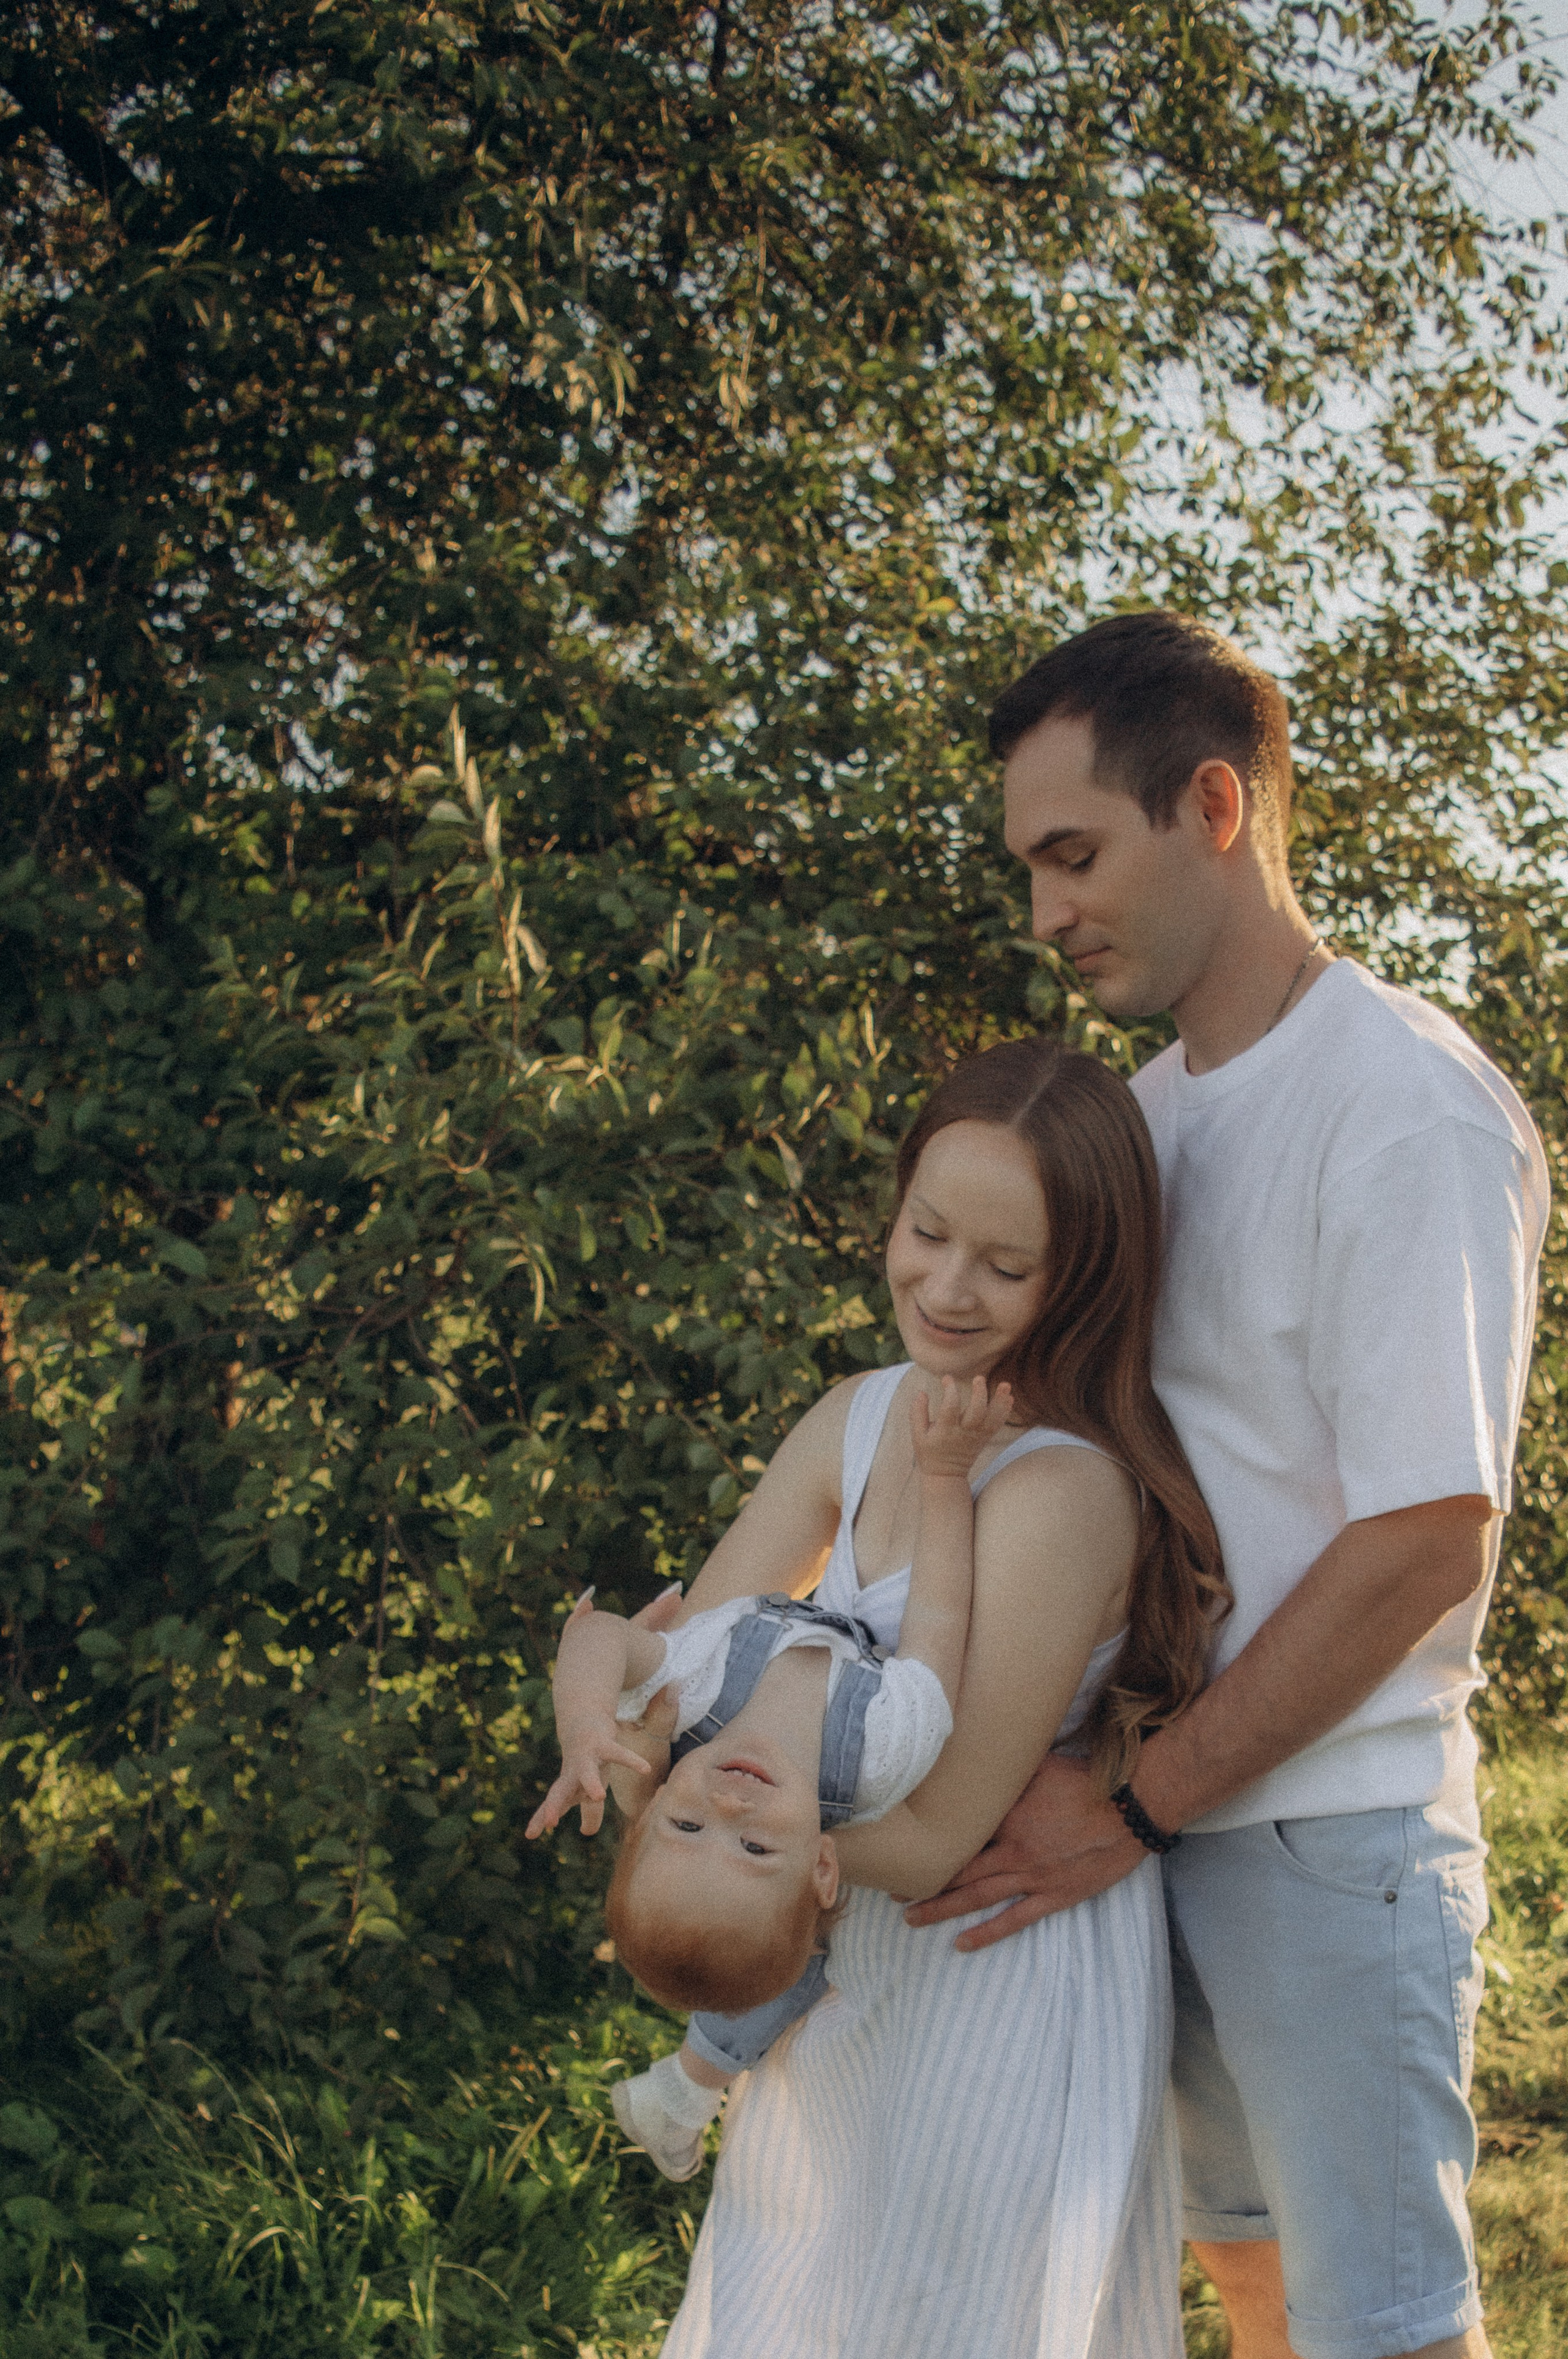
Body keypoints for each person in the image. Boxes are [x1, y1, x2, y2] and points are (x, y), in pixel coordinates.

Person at [907, 610, 1550, 2359]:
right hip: (1154, 1822)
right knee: (1248, 2283)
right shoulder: (1147, 1119)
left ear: (1211, 804)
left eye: (1073, 854)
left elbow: (1428, 1538)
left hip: (1327, 1832)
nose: (1044, 913)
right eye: (1030, 866)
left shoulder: (1405, 1107)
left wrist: (1132, 1805)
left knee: (1387, 2330)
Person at [647, 1035, 1228, 2358]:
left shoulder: (1065, 1488)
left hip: (989, 1978)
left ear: (1081, 1277)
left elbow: (933, 1838)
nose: (946, 1288)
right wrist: (639, 1742)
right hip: (838, 1974)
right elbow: (690, 1682)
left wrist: (705, 1834)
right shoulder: (853, 1418)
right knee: (792, 2313)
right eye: (926, 1231)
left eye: (1006, 1266)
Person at [524, 1376, 1016, 2180]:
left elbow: (603, 1634)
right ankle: (691, 2087)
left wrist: (586, 1724)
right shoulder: (882, 1753)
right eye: (755, 1848)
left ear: (646, 1811)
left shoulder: (690, 1692)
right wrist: (941, 1478)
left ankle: (687, 2088)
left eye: (685, 1827)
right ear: (827, 1864)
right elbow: (939, 1621)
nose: (728, 1802)